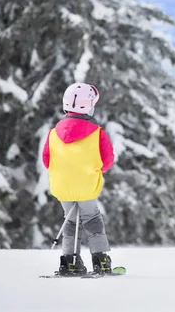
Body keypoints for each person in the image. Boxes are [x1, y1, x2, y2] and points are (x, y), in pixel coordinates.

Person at [42, 83, 115, 275]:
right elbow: (107, 161)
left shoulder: (53, 133)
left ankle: (69, 261)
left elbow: (47, 160)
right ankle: (101, 260)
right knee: (91, 219)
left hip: (62, 187)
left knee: (71, 221)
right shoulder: (97, 133)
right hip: (86, 185)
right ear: (89, 105)